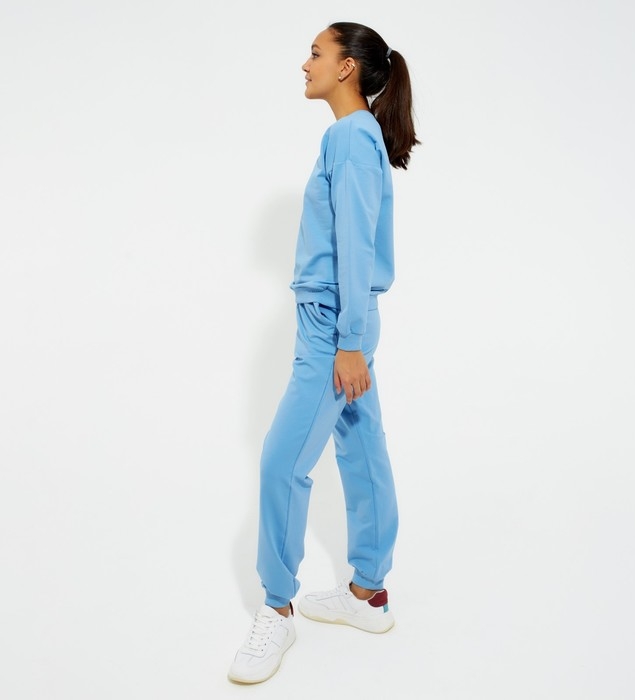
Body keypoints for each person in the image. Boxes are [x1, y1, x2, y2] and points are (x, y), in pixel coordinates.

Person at [228, 21, 419, 685]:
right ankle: (369, 593)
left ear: (347, 68)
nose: (304, 63)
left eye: (316, 53)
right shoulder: (357, 136)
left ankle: (276, 609)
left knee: (281, 461)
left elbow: (355, 247)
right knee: (361, 449)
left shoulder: (349, 137)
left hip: (334, 325)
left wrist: (348, 342)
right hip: (344, 320)